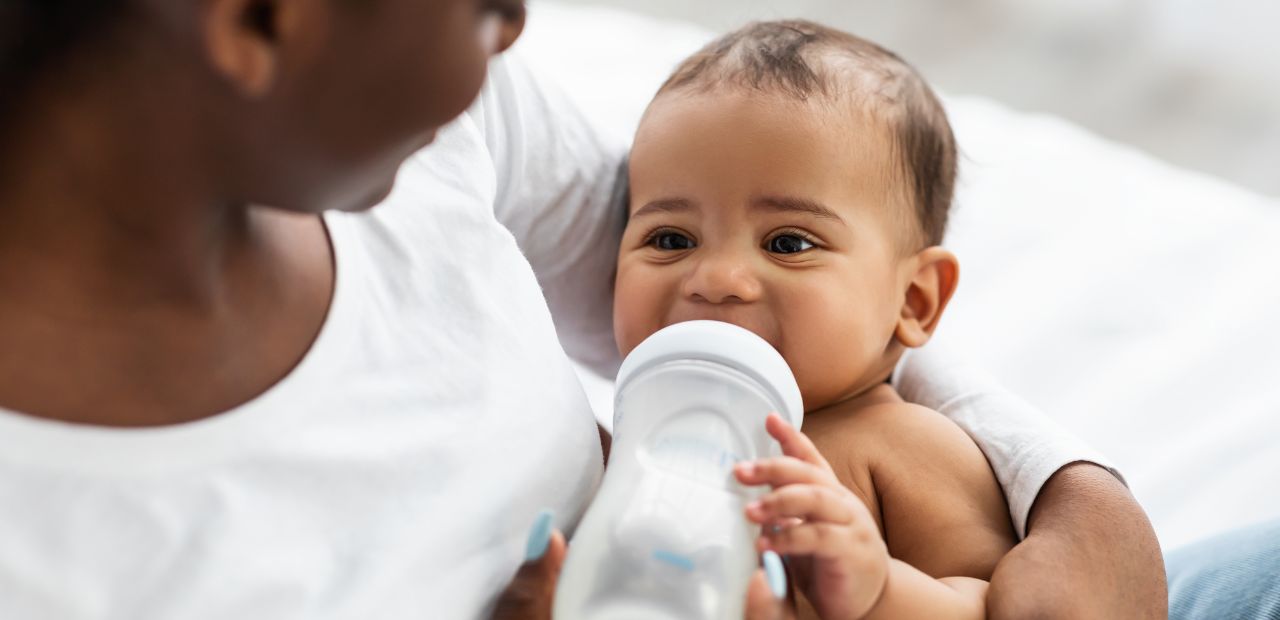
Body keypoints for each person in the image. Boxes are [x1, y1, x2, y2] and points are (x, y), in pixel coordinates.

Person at [0, 1, 1164, 618]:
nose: (510, 35)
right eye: (479, 7)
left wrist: (1069, 490)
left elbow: (773, 309)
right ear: (260, 18)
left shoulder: (434, 136)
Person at [610, 19, 1016, 618]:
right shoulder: (642, 438)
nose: (716, 279)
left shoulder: (907, 446)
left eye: (788, 244)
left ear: (913, 301)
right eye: (671, 237)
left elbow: (993, 605)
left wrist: (878, 591)